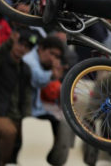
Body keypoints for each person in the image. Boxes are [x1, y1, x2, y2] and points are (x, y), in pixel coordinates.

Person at [0, 28, 38, 165]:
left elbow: (28, 98)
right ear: (13, 42)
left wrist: (28, 119)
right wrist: (7, 43)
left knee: (32, 133)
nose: (22, 48)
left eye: (27, 47)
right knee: (9, 131)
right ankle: (3, 163)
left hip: (15, 117)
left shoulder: (26, 70)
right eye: (20, 43)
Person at [23, 36, 73, 165]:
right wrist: (52, 74)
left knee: (64, 123)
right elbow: (36, 77)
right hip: (25, 110)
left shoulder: (41, 63)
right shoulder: (29, 60)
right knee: (57, 126)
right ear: (40, 49)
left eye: (56, 57)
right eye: (51, 53)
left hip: (36, 109)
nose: (53, 59)